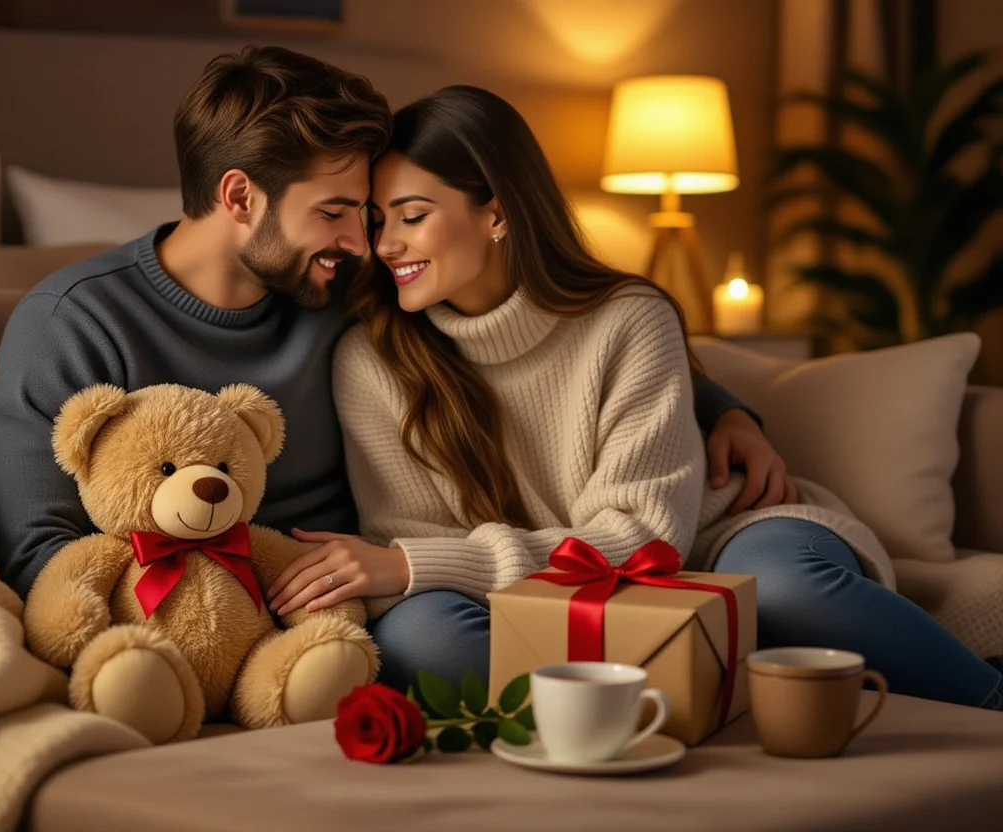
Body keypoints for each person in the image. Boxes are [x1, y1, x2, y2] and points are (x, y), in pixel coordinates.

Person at [264, 85, 1003, 711]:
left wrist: (418, 563)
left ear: (496, 213)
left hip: (714, 542)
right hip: (538, 595)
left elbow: (647, 536)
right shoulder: (372, 357)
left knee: (783, 586)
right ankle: (689, 699)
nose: (385, 244)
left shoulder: (627, 317)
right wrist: (417, 568)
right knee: (419, 638)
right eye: (377, 220)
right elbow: (412, 539)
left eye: (412, 214)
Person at [0, 46, 786, 603]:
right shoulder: (72, 322)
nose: (366, 243)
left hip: (355, 602)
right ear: (237, 198)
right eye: (337, 212)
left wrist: (723, 410)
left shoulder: (346, 288)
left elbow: (561, 330)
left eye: (370, 215)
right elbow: (36, 553)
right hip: (210, 613)